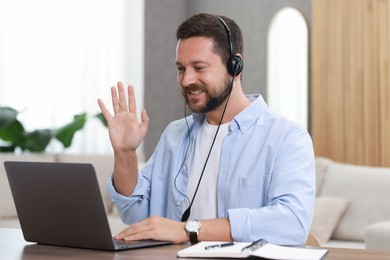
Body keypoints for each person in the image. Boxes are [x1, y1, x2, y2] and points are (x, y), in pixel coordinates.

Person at [97, 13, 315, 246]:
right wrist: (125, 155)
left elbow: (292, 223)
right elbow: (136, 215)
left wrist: (188, 230)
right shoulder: (175, 135)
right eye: (181, 69)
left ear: (235, 66)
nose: (186, 80)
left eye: (199, 68)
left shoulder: (286, 137)